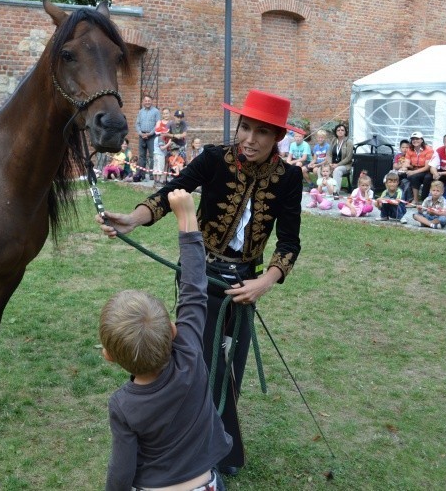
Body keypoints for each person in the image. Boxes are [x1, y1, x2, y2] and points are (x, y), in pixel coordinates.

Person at [97, 89, 303, 476]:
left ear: (278, 137)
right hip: (199, 273)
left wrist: (265, 282)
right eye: (245, 127)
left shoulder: (289, 178)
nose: (249, 139)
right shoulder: (214, 159)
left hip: (245, 284)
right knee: (199, 363)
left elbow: (290, 242)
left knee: (231, 368)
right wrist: (132, 218)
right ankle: (190, 444)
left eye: (262, 132)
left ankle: (221, 446)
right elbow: (170, 192)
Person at [99, 189, 231, 491]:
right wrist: (186, 218)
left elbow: (121, 471)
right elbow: (194, 289)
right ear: (173, 330)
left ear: (109, 355)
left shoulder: (123, 405)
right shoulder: (189, 353)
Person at [324, 123, 353, 198]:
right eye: (338, 130)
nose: (340, 131)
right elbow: (329, 154)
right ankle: (323, 190)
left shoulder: (349, 142)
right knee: (322, 168)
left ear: (345, 132)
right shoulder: (334, 140)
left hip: (344, 166)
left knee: (337, 170)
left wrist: (337, 165)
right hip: (332, 164)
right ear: (336, 132)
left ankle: (335, 192)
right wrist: (330, 163)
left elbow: (348, 157)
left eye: (342, 130)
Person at [135, 95, 161, 181]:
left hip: (152, 136)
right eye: (146, 101)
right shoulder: (140, 112)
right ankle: (141, 174)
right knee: (142, 156)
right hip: (141, 136)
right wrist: (140, 133)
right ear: (143, 101)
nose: (147, 102)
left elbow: (158, 124)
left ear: (152, 101)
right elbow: (137, 124)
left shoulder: (156, 111)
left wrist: (149, 134)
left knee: (152, 156)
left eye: (149, 100)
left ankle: (151, 174)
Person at [405, 131, 434, 205]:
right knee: (403, 175)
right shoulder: (409, 149)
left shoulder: (428, 149)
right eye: (413, 139)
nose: (415, 141)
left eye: (417, 139)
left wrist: (413, 172)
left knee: (418, 177)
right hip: (414, 169)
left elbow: (427, 167)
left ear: (422, 140)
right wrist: (404, 167)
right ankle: (408, 198)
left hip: (426, 170)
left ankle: (420, 199)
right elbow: (407, 162)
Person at [153, 108, 172, 185]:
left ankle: (164, 179)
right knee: (160, 161)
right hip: (162, 142)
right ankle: (158, 180)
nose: (165, 115)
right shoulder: (159, 122)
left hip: (168, 141)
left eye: (167, 113)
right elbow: (157, 131)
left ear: (169, 114)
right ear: (162, 114)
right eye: (164, 113)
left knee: (166, 161)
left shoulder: (171, 123)